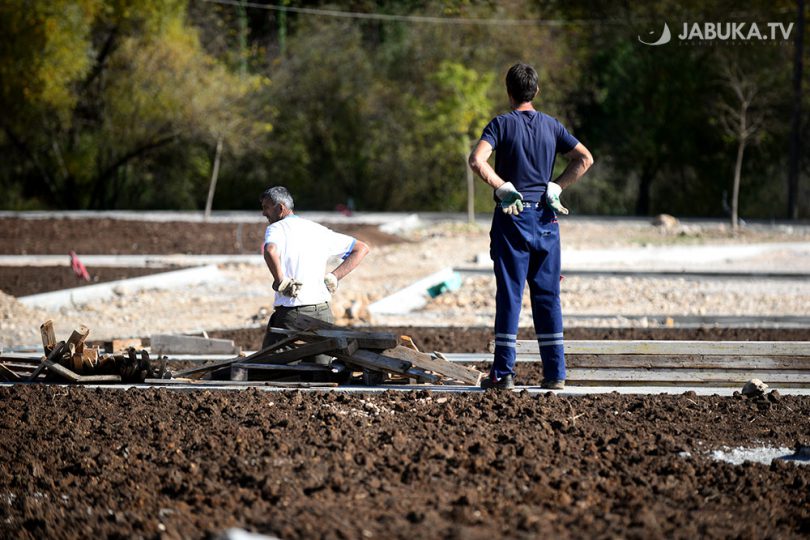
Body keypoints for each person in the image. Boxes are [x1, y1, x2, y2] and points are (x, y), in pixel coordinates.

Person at [468, 63, 594, 390]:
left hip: (513, 217)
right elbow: (584, 158)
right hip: (547, 219)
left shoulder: (500, 124)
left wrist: (500, 185)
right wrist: (558, 186)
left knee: (510, 294)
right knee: (548, 295)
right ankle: (555, 374)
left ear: (509, 92)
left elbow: (476, 160)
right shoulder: (552, 126)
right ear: (536, 92)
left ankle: (503, 373)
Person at [259, 186, 369, 362]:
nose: (264, 213)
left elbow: (270, 250)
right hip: (322, 310)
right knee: (322, 370)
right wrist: (334, 276)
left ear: (280, 208)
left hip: (292, 312)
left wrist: (281, 281)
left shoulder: (277, 228)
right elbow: (361, 248)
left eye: (266, 207)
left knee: (272, 367)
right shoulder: (317, 230)